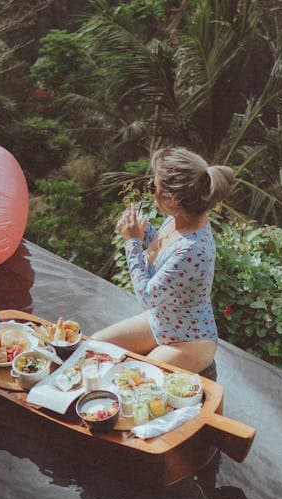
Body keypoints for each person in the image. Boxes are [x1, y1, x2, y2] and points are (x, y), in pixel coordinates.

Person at [92, 147, 234, 373]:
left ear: (173, 199)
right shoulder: (178, 219)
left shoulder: (194, 249)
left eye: (153, 187)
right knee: (92, 348)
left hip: (189, 342)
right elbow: (166, 249)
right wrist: (142, 230)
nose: (151, 191)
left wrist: (132, 242)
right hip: (163, 321)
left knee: (128, 378)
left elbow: (147, 296)